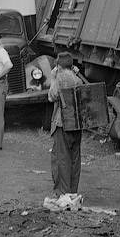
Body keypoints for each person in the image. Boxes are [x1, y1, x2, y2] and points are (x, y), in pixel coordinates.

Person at [46, 52, 85, 197]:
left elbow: (52, 96)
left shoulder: (59, 77)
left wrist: (53, 77)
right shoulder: (78, 80)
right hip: (76, 124)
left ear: (58, 66)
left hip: (62, 123)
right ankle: (73, 192)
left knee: (61, 159)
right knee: (75, 159)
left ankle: (62, 192)